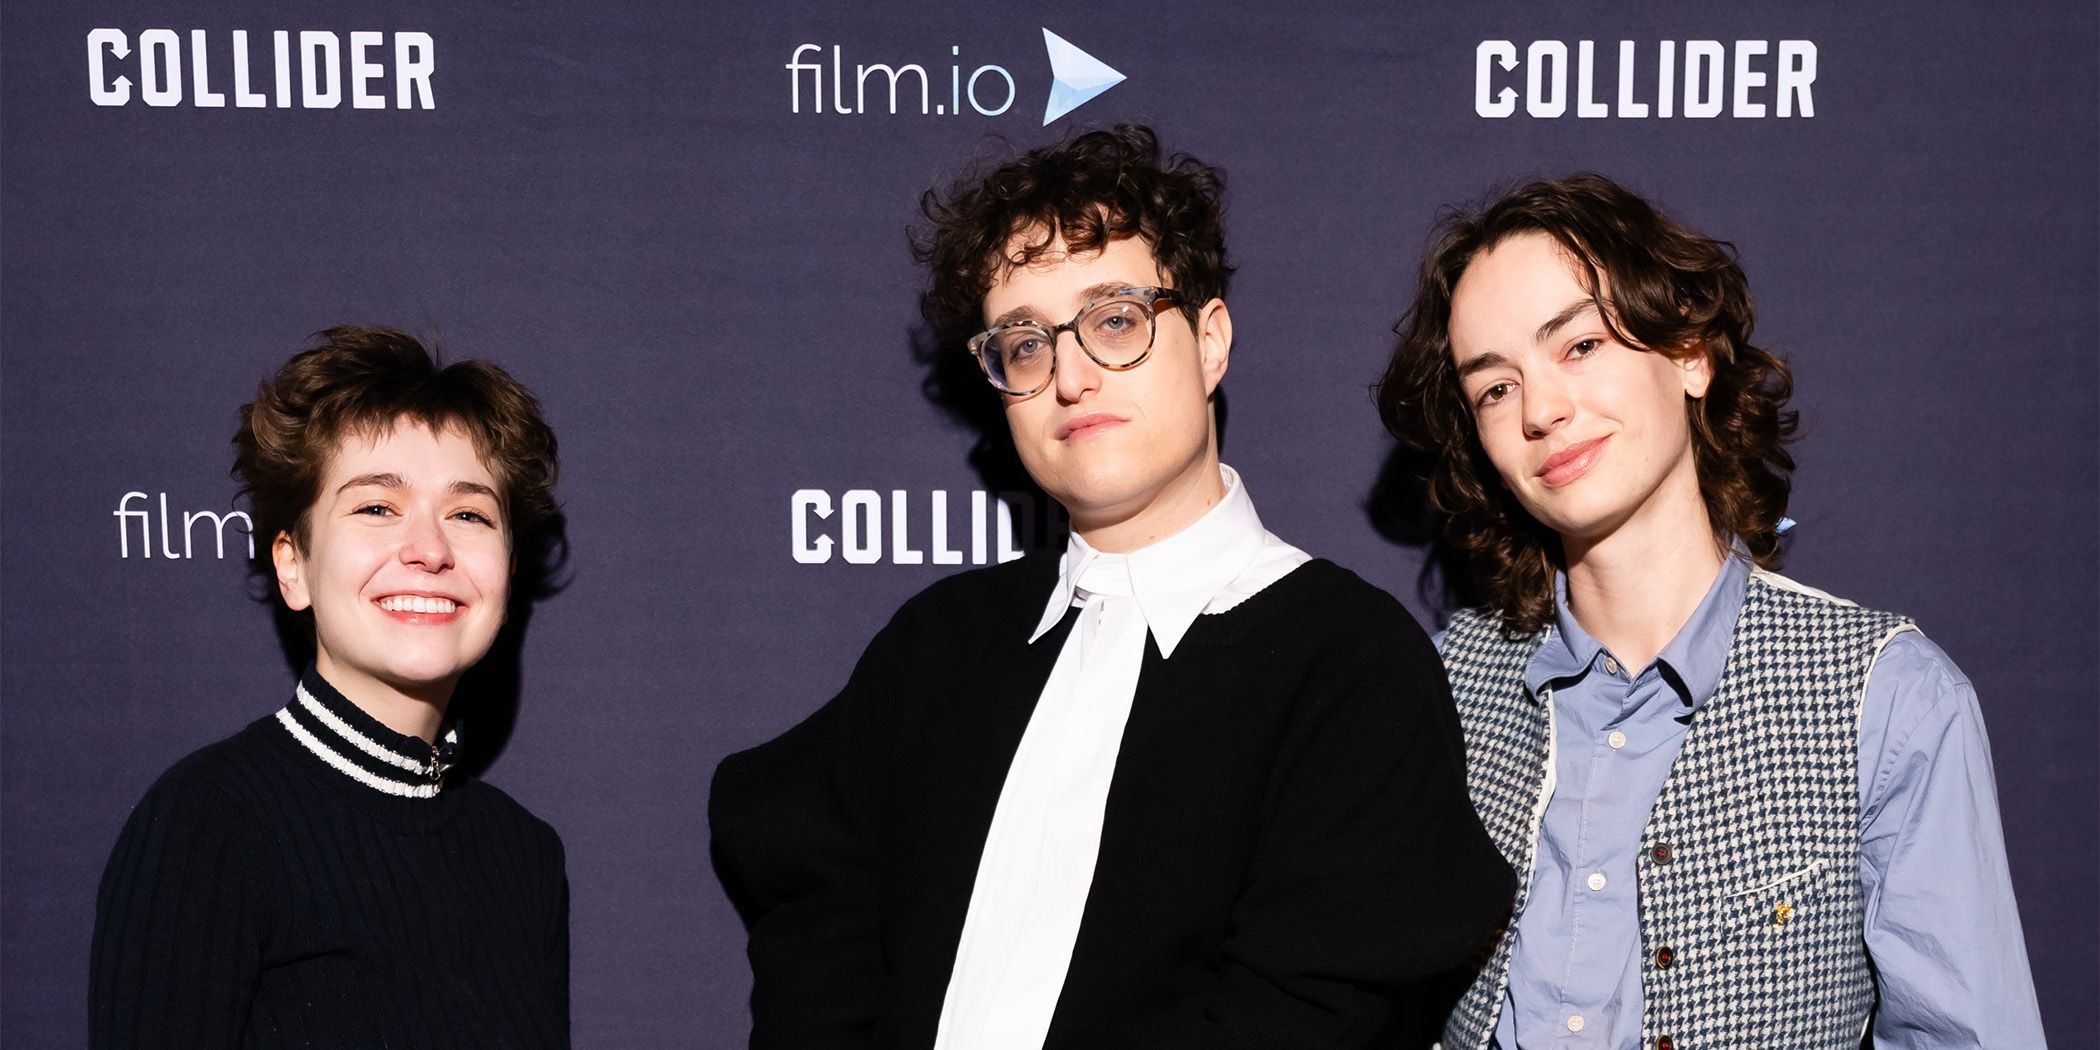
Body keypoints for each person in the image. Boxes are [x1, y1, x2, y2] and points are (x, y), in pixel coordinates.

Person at [710, 125, 1512, 1049]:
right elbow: (812, 913)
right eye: (1024, 344)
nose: (1072, 376)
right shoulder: (938, 645)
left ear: (1210, 342)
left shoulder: (1349, 664)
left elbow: (1313, 1015)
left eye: (1116, 320)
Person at [1375, 173, 2045, 1049]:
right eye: (1494, 388)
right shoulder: (1444, 686)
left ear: (1690, 352)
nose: (1542, 409)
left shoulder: (1886, 698)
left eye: (1578, 346)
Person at [89, 327, 570, 1048]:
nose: (430, 550)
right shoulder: (210, 826)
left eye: (469, 514)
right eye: (377, 506)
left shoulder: (523, 854)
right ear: (293, 565)